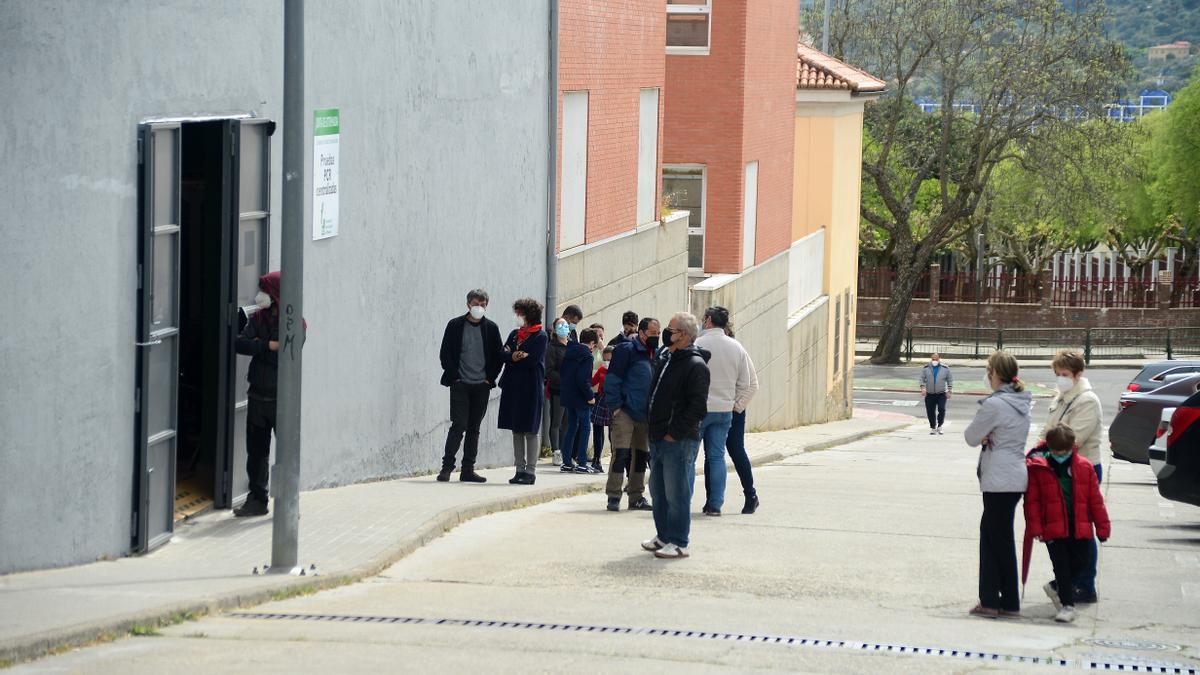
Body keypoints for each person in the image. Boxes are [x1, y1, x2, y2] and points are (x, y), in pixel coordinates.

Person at [963, 350, 1032, 618]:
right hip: (1015, 476)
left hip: (998, 479)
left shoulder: (994, 405)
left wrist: (985, 436)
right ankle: (1008, 600)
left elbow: (971, 436)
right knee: (1001, 538)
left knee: (992, 540)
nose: (986, 376)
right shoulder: (1021, 402)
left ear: (995, 374)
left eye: (988, 371)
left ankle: (991, 600)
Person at [233, 271, 305, 517]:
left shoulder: (295, 322)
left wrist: (259, 344)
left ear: (276, 294)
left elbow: (286, 351)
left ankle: (288, 504)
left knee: (286, 454)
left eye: (265, 290)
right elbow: (239, 343)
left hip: (282, 399)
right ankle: (257, 499)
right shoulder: (260, 318)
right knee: (256, 454)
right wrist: (266, 344)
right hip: (257, 396)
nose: (260, 295)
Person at [1024, 424, 1111, 623]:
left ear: (1072, 447)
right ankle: (1067, 605)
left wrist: (1103, 527)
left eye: (1064, 451)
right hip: (1053, 528)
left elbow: (1095, 500)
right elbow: (1032, 501)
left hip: (1078, 526)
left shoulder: (1084, 467)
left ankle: (1055, 587)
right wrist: (1035, 527)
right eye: (1056, 452)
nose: (1060, 455)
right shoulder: (1039, 469)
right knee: (1061, 566)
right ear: (1050, 449)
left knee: (1083, 562)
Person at [640, 312, 710, 559]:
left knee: (676, 492)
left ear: (684, 335)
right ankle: (664, 536)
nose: (666, 333)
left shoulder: (695, 365)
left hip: (677, 440)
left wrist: (674, 433)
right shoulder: (667, 358)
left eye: (671, 329)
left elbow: (697, 408)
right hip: (657, 437)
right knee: (658, 491)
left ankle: (679, 541)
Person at [1039, 348, 1104, 604]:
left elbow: (1072, 439)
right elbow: (1047, 431)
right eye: (1057, 374)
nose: (1060, 378)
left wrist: (1043, 452)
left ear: (1078, 374)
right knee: (1067, 529)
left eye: (1064, 374)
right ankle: (1071, 579)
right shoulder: (1062, 396)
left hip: (1082, 470)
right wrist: (1038, 450)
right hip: (1059, 466)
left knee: (1082, 530)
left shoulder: (1086, 400)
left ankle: (1085, 584)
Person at [694, 306, 758, 516]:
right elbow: (747, 382)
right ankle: (715, 504)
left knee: (690, 457)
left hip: (700, 409)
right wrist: (733, 403)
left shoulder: (697, 344)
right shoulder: (736, 347)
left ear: (709, 320)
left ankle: (684, 501)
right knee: (716, 456)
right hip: (724, 410)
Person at [437, 289, 503, 483]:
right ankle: (446, 468)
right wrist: (455, 377)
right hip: (460, 384)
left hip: (481, 386)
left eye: (483, 305)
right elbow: (445, 354)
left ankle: (468, 469)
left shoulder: (491, 328)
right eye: (476, 304)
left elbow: (498, 357)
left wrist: (489, 379)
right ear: (468, 304)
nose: (479, 308)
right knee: (458, 425)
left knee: (474, 428)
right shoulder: (455, 325)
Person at [604, 317, 661, 511]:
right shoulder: (626, 350)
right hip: (625, 412)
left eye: (658, 334)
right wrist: (616, 406)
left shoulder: (656, 354)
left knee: (641, 456)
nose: (657, 337)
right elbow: (612, 380)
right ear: (642, 333)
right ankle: (613, 495)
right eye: (653, 333)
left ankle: (636, 496)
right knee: (620, 454)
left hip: (645, 415)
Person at [498, 298, 548, 485]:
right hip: (513, 386)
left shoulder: (540, 336)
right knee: (516, 429)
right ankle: (519, 468)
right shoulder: (514, 334)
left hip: (531, 386)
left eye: (519, 313)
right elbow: (502, 354)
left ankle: (530, 471)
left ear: (528, 315)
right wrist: (514, 355)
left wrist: (514, 356)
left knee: (530, 430)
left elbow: (532, 360)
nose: (516, 316)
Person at [720, 323, 761, 514]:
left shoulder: (738, 350)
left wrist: (737, 407)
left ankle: (750, 495)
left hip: (734, 411)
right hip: (714, 409)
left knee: (736, 450)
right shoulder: (712, 349)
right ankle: (712, 500)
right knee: (713, 453)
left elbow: (753, 385)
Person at [560, 328, 599, 473]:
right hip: (581, 397)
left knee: (571, 427)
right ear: (591, 343)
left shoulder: (569, 352)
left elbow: (563, 372)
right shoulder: (587, 356)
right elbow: (583, 379)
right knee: (585, 428)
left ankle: (566, 462)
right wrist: (590, 396)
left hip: (568, 396)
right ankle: (582, 463)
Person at [543, 318, 570, 464]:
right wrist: (563, 380)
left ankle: (566, 451)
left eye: (565, 325)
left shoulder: (571, 345)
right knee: (556, 422)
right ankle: (556, 451)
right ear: (554, 329)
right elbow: (549, 370)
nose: (563, 327)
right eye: (560, 325)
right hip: (558, 389)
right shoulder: (551, 348)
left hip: (571, 390)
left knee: (567, 423)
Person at [590, 346, 615, 473]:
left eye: (609, 360)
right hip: (601, 399)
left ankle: (615, 460)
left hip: (612, 401)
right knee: (597, 429)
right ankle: (596, 459)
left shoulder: (618, 371)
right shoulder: (601, 370)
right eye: (605, 359)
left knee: (613, 432)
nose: (607, 362)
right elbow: (592, 382)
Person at [919, 352, 953, 435]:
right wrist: (922, 388)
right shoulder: (926, 368)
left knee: (942, 409)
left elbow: (950, 379)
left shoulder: (945, 368)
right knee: (930, 411)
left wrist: (949, 390)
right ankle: (933, 427)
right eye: (933, 359)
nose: (934, 361)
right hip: (930, 393)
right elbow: (921, 379)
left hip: (941, 393)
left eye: (936, 359)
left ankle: (940, 426)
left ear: (939, 359)